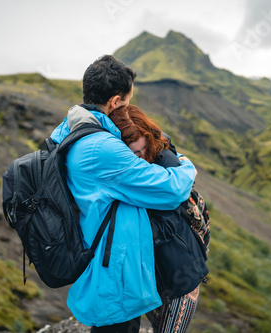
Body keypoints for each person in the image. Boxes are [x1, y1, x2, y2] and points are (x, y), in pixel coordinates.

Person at [50, 55, 197, 332]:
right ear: (115, 102)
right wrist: (187, 165)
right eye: (126, 103)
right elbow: (169, 189)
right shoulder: (102, 149)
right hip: (113, 273)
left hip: (102, 258)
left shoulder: (72, 127)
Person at [109, 105, 209, 333]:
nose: (140, 157)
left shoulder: (167, 163)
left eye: (142, 149)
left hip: (180, 277)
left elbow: (169, 223)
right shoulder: (123, 168)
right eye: (132, 153)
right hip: (149, 276)